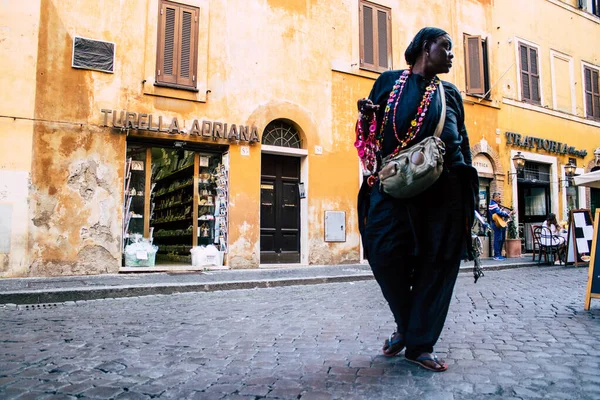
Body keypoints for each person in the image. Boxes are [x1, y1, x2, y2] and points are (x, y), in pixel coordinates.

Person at [355, 27, 478, 372]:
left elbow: (462, 145)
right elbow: (369, 141)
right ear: (427, 47)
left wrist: (468, 201)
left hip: (444, 199)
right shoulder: (388, 83)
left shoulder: (449, 94)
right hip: (393, 192)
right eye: (446, 47)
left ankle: (419, 344)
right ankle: (407, 327)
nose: (452, 55)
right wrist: (366, 116)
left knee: (436, 267)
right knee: (384, 254)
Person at [488, 192, 512, 261]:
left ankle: (499, 254)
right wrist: (507, 214)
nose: (500, 198)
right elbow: (499, 212)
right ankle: (497, 255)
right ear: (495, 197)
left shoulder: (496, 204)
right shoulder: (493, 204)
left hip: (498, 223)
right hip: (496, 223)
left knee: (500, 239)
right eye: (499, 197)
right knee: (497, 239)